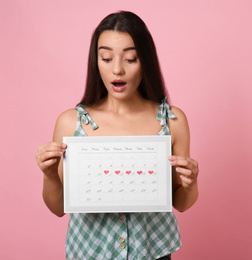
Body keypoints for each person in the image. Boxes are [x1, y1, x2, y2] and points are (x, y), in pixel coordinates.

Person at [35, 11, 199, 260]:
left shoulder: (172, 121)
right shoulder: (71, 123)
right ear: (96, 61)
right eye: (106, 58)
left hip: (152, 253)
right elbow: (58, 208)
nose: (118, 69)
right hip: (89, 253)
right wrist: (49, 175)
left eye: (131, 59)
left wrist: (191, 181)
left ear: (145, 61)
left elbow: (181, 202)